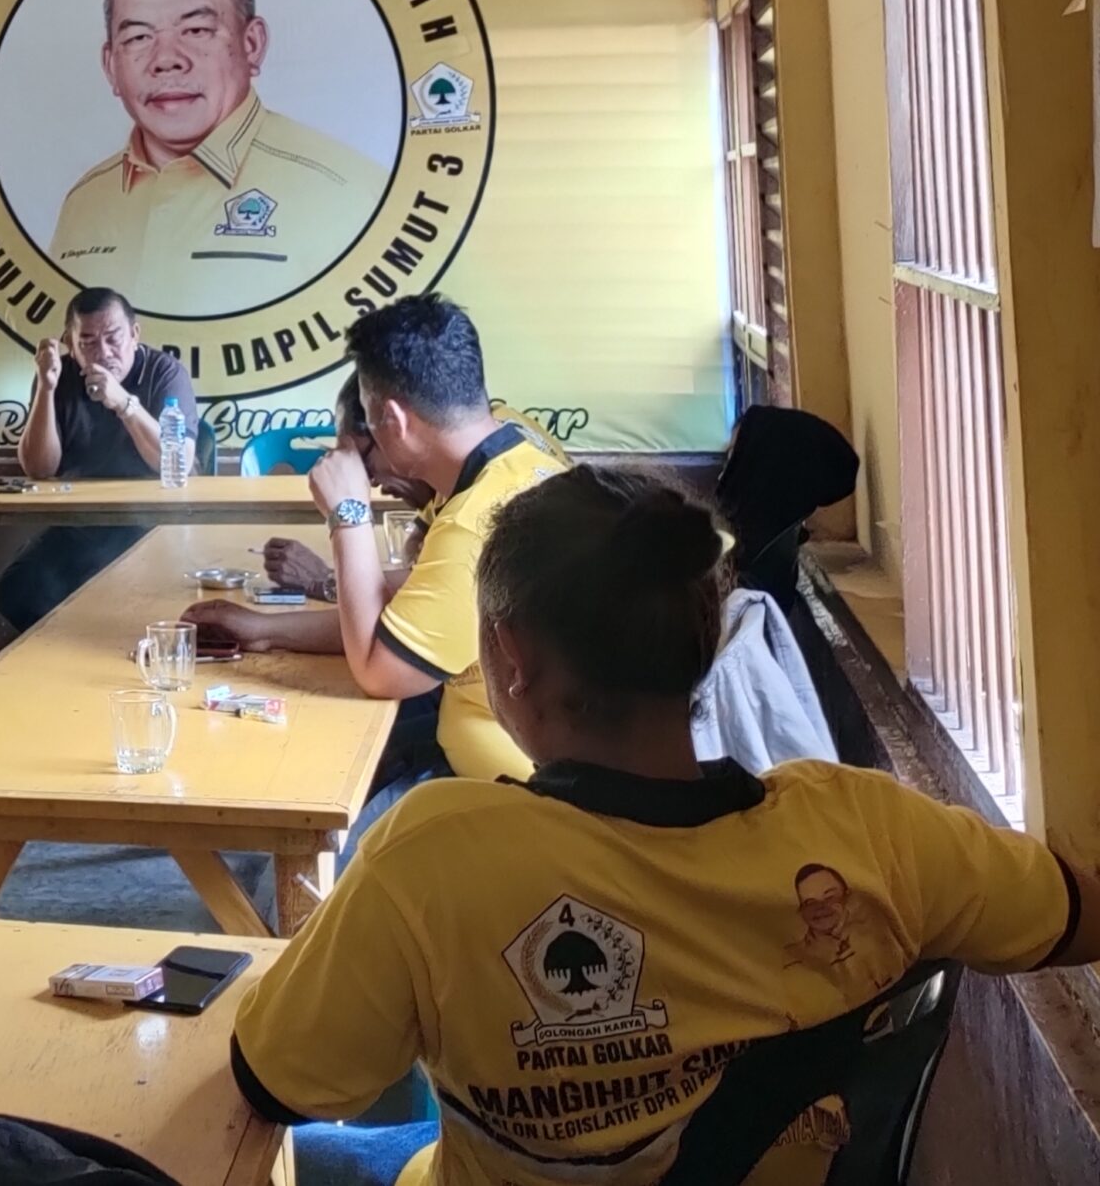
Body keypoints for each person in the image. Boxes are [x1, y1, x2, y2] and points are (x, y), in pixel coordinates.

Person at [229, 465, 1100, 1185]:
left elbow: (276, 1083)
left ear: (510, 655)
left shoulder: (433, 857)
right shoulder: (875, 829)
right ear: (707, 640)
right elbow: (1073, 914)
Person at [185, 294, 565, 804]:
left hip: (519, 785)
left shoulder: (475, 526)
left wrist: (349, 516)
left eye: (365, 418)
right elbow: (406, 610)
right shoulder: (514, 445)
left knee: (314, 812)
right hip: (498, 731)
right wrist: (263, 629)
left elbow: (378, 671)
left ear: (392, 419)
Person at [49, 0, 388, 314]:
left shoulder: (343, 192)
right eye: (140, 37)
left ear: (252, 44)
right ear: (111, 66)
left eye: (195, 30)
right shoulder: (86, 203)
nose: (166, 60)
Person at [0, 287, 196, 632]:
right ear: (70, 344)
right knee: (16, 591)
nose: (102, 353)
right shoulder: (61, 375)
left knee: (133, 596)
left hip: (151, 525)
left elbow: (179, 462)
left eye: (113, 339)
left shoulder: (165, 373)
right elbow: (39, 469)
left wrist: (124, 404)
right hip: (79, 524)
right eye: (87, 342)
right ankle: (67, 662)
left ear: (134, 334)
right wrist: (46, 387)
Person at [258, 375, 435, 601]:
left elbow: (385, 623)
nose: (371, 482)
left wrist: (323, 580)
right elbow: (416, 582)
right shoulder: (444, 497)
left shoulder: (473, 512)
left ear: (398, 426)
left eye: (364, 463)